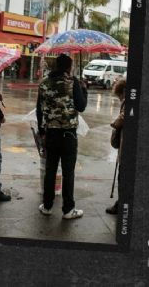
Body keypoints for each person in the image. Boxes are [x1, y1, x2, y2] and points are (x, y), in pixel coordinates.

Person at [36, 54, 88, 220]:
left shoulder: (44, 83)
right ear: (68, 67)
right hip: (69, 135)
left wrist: (41, 131)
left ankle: (47, 206)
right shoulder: (73, 83)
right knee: (68, 172)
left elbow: (39, 110)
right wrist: (84, 89)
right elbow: (81, 106)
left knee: (50, 170)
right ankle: (68, 209)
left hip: (51, 133)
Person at [106, 78, 126, 215]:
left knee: (123, 176)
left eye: (119, 96)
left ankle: (121, 205)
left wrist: (115, 123)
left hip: (126, 147)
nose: (119, 99)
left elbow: (123, 118)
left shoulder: (128, 101)